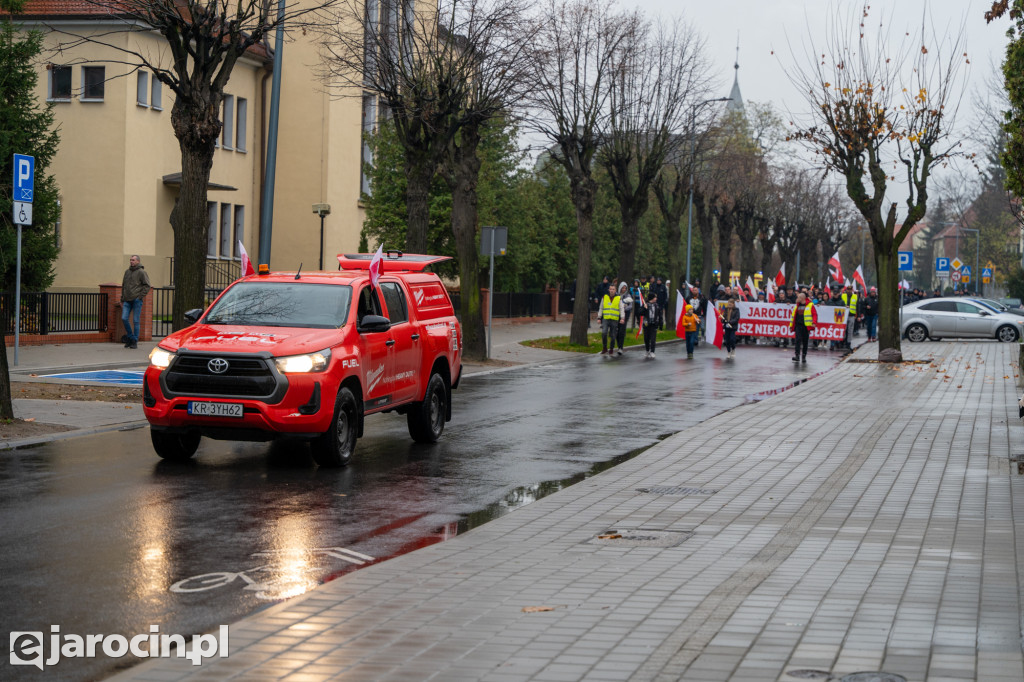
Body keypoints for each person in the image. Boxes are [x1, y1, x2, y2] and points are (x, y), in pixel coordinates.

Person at [119, 254, 151, 349]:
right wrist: (122, 299)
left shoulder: (141, 272)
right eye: (130, 260)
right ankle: (130, 337)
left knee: (136, 321)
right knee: (124, 318)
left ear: (138, 261)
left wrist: (140, 296)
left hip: (136, 300)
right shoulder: (127, 272)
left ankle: (134, 341)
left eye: (133, 260)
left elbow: (147, 285)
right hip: (127, 300)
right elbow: (124, 285)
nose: (131, 261)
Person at [789, 291, 816, 363]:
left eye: (798, 297)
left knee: (805, 341)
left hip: (806, 326)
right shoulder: (797, 305)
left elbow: (814, 314)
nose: (797, 298)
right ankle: (797, 355)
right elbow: (793, 316)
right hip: (798, 325)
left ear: (802, 298)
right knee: (797, 340)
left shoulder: (810, 305)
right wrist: (791, 326)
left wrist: (814, 323)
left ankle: (804, 356)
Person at [598, 283, 622, 355]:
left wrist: (622, 318)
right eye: (610, 289)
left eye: (613, 289)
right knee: (604, 333)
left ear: (615, 290)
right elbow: (601, 307)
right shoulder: (605, 297)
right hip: (606, 318)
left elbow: (621, 308)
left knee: (613, 335)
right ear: (608, 290)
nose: (611, 291)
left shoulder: (618, 298)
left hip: (614, 319)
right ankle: (604, 347)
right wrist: (599, 317)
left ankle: (611, 348)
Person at [614, 281, 632, 355]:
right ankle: (618, 345)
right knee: (616, 331)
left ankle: (620, 347)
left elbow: (630, 305)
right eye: (622, 288)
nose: (624, 290)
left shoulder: (628, 295)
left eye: (625, 288)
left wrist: (624, 307)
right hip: (616, 314)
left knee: (622, 330)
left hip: (624, 314)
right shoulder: (616, 295)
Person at [641, 291, 660, 358]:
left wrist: (660, 323)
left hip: (654, 324)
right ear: (651, 298)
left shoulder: (656, 305)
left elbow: (659, 315)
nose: (656, 298)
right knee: (646, 338)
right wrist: (644, 308)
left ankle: (652, 351)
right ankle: (647, 350)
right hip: (646, 324)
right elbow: (640, 313)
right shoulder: (646, 304)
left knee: (653, 338)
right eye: (655, 297)